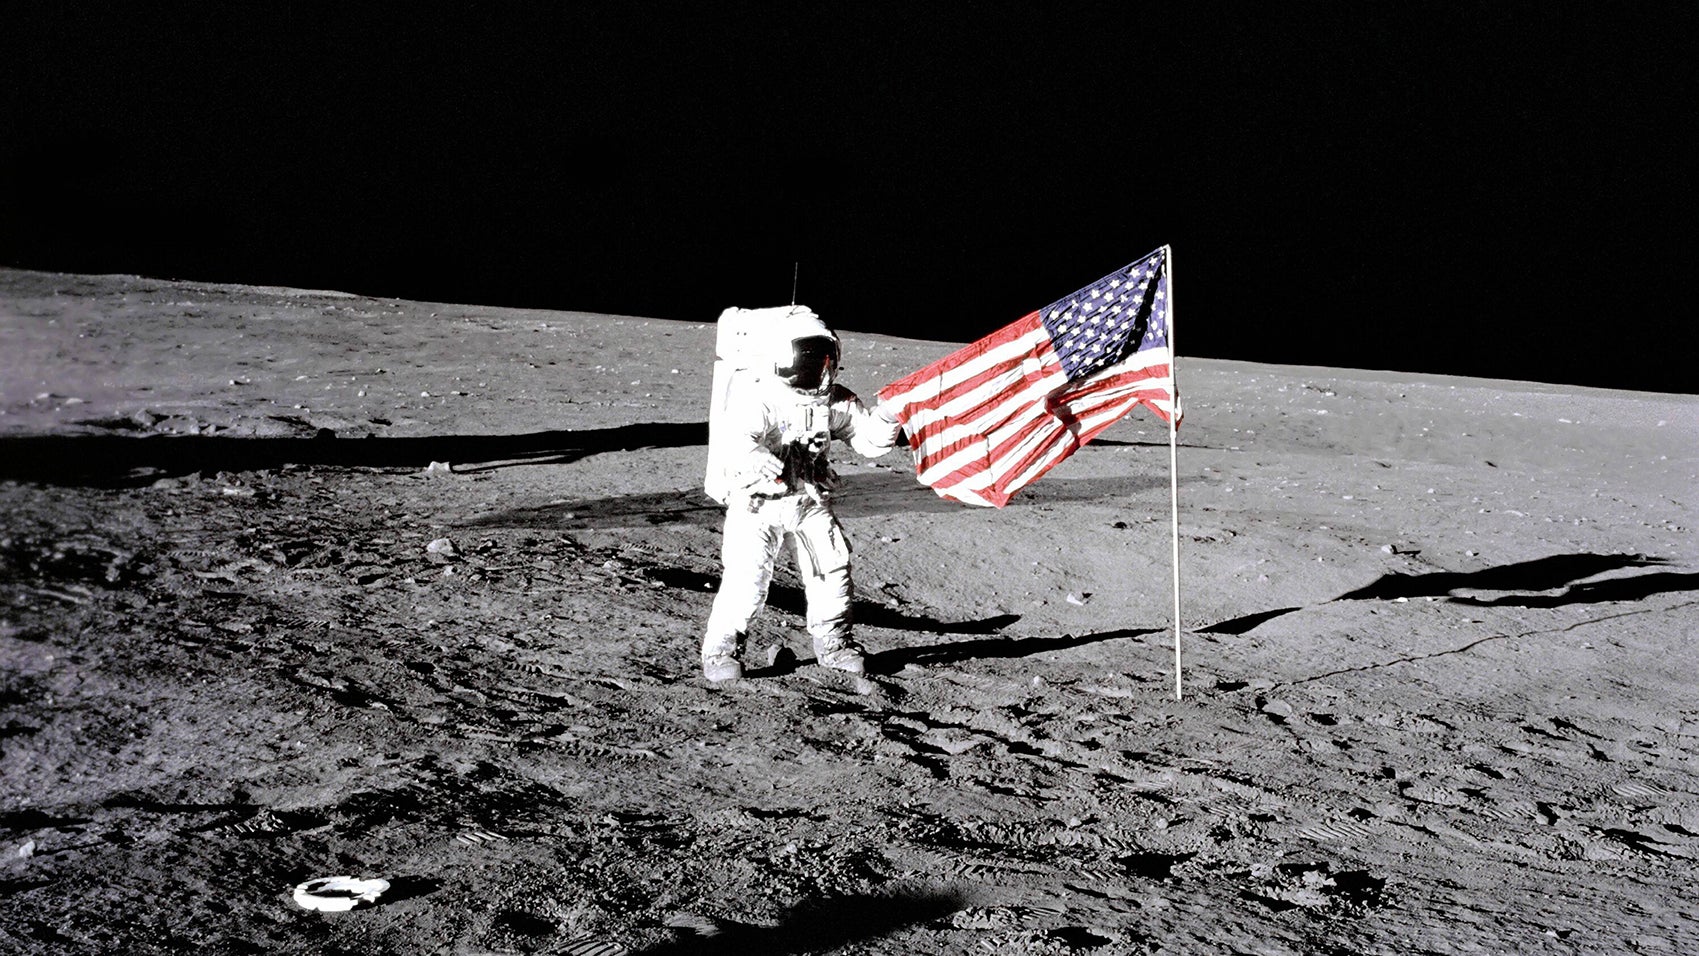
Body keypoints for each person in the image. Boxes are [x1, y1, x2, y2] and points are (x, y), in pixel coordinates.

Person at [700, 305, 903, 682]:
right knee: (748, 579)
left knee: (831, 570)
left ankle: (834, 643)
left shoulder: (834, 401)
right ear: (781, 357)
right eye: (809, 360)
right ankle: (722, 649)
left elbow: (868, 442)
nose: (818, 369)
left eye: (825, 360)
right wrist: (754, 456)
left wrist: (888, 419)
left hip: (808, 502)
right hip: (757, 504)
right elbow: (734, 439)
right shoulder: (758, 395)